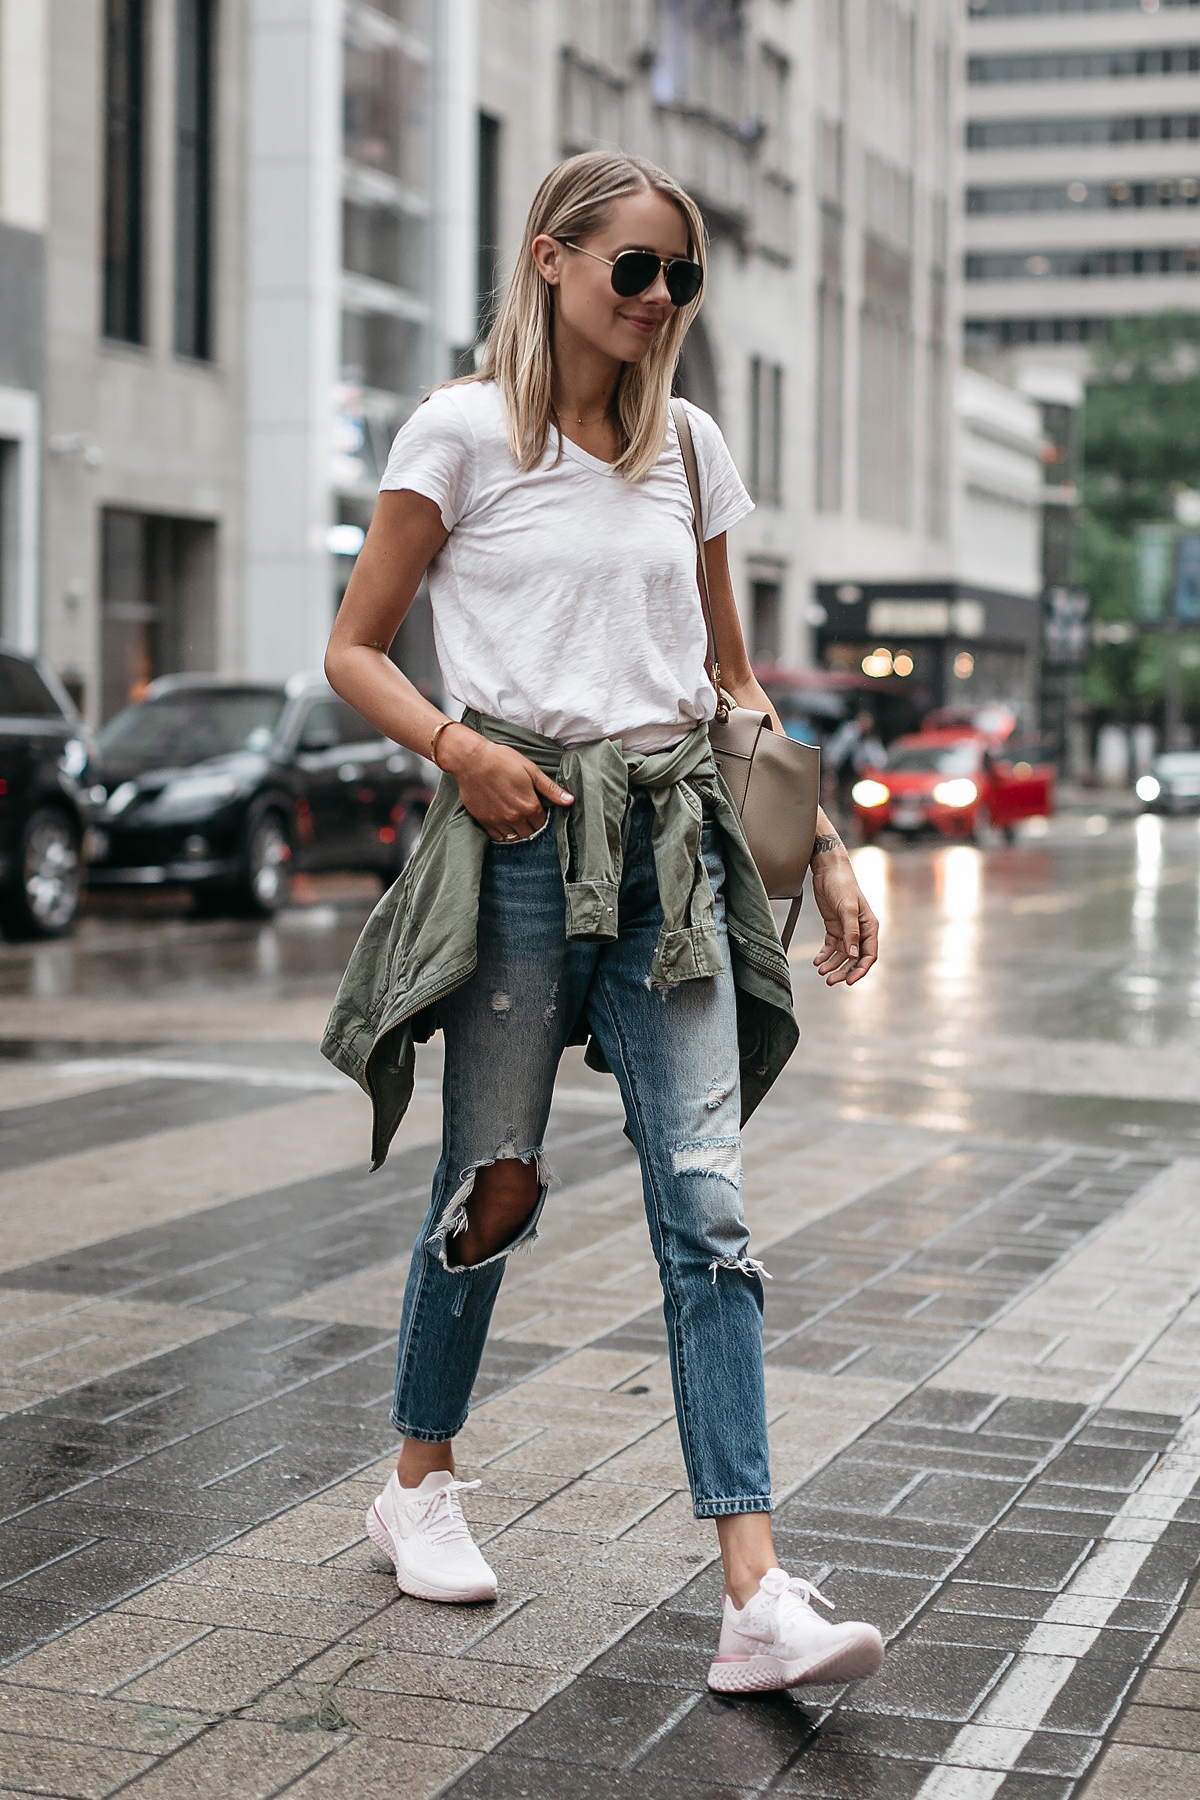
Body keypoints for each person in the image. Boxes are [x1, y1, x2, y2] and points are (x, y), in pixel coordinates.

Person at [322, 150, 883, 1696]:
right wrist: (460, 749)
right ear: (551, 258)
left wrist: (823, 842)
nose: (656, 301)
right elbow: (357, 649)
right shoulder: (456, 435)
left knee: (709, 1210)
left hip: (674, 862)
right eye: (632, 268)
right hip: (517, 839)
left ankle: (755, 1597)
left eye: (678, 278)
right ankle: (417, 1483)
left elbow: (732, 680)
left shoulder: (689, 450)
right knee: (492, 1184)